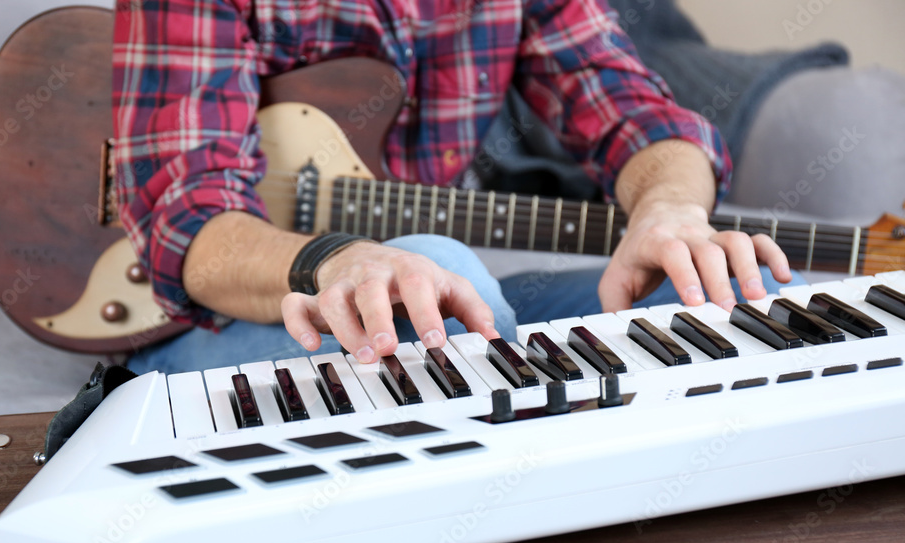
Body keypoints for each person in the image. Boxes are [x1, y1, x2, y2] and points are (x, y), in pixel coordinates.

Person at [113, 0, 792, 375]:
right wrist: (338, 260)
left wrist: (669, 209)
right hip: (243, 308)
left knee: (733, 284)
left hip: (422, 291)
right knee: (444, 278)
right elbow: (192, 227)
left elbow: (636, 113)